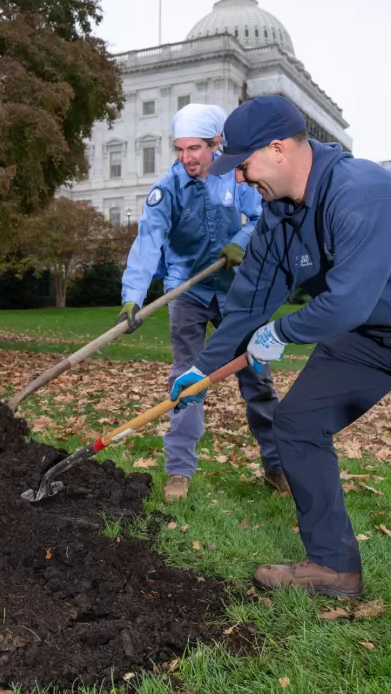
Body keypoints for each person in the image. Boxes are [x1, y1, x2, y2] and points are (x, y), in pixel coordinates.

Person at [173, 95, 391, 598]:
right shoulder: (279, 215)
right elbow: (249, 302)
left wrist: (280, 333)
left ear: (278, 149)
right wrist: (203, 370)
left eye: (243, 165)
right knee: (297, 423)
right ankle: (332, 567)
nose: (238, 178)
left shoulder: (365, 192)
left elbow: (347, 301)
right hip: (368, 336)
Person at [118, 103, 285, 502]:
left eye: (194, 148)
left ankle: (278, 466)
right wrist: (132, 297)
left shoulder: (240, 177)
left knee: (257, 378)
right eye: (180, 149)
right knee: (186, 380)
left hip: (236, 294)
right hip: (187, 293)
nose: (186, 157)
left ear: (216, 144)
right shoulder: (168, 189)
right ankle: (178, 471)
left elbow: (265, 214)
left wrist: (240, 242)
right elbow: (148, 241)